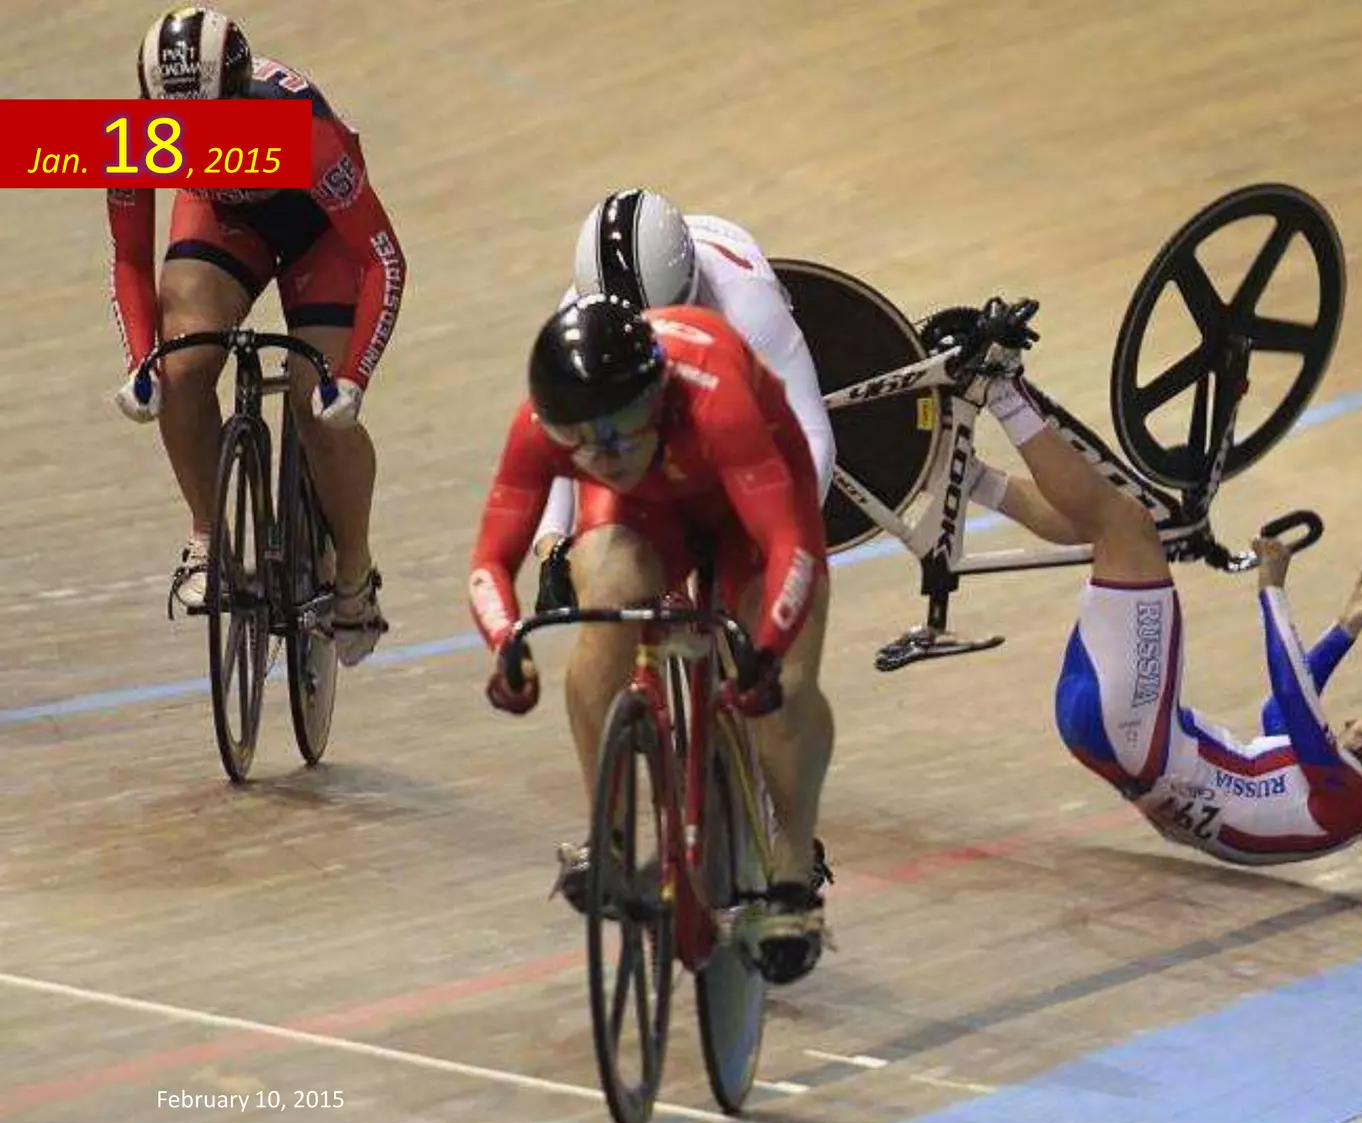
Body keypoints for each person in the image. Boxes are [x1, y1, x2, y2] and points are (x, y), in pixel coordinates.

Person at [952, 306, 1362, 864]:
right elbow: (1277, 713)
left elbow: (1293, 698)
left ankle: (998, 384)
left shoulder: (1347, 800)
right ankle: (960, 474)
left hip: (1137, 729)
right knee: (1107, 530)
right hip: (1108, 735)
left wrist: (1272, 589)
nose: (1358, 718)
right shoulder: (1328, 802)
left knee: (1129, 526)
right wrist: (1346, 628)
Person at [467, 296, 832, 983]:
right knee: (604, 606)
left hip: (750, 505)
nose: (610, 453)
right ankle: (604, 835)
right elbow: (491, 561)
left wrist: (771, 648)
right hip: (645, 516)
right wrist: (505, 644)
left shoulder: (714, 399)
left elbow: (788, 544)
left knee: (784, 688)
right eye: (583, 439)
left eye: (629, 426)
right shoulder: (542, 429)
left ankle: (789, 880)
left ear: (658, 396)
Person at [113, 7, 401, 661]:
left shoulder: (308, 134)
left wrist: (352, 377)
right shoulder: (133, 133)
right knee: (181, 371)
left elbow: (383, 259)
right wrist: (139, 362)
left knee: (316, 408)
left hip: (317, 237)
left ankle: (353, 575)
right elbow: (130, 257)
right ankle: (208, 538)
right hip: (224, 220)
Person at [527, 190, 835, 609]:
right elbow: (563, 445)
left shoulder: (747, 304)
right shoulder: (579, 323)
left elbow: (812, 431)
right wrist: (553, 548)